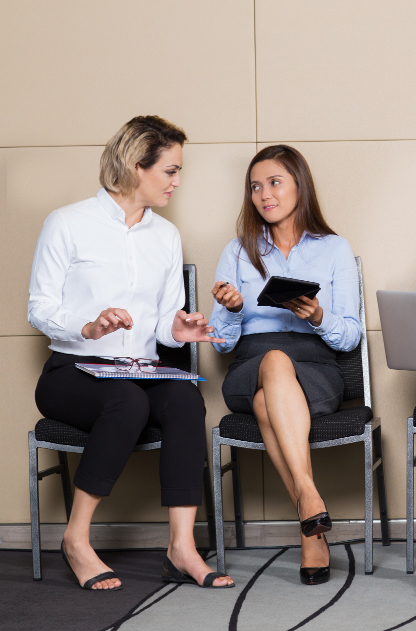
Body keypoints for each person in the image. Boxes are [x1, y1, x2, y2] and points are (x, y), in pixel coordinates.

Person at [28, 115, 234, 591]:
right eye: (170, 171)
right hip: (71, 371)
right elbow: (39, 308)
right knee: (127, 403)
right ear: (135, 166)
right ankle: (76, 540)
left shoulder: (164, 236)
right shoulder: (67, 223)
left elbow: (162, 321)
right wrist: (87, 325)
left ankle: (181, 547)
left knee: (184, 400)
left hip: (138, 369)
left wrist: (179, 329)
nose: (178, 182)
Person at [209, 144, 362, 586]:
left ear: (300, 185)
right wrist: (233, 310)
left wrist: (317, 316)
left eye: (274, 182)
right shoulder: (238, 251)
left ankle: (307, 517)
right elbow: (219, 344)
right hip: (249, 362)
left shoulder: (333, 249)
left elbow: (349, 335)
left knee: (266, 402)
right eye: (255, 187)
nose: (264, 194)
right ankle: (309, 499)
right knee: (272, 362)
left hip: (316, 367)